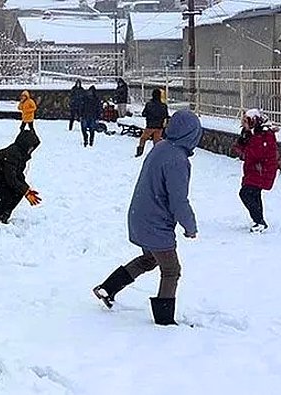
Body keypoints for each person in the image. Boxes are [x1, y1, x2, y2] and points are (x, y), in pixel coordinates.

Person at [92, 110, 201, 326]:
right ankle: (164, 321)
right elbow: (178, 200)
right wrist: (190, 226)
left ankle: (107, 288)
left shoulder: (161, 147)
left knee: (150, 258)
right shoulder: (177, 159)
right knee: (171, 270)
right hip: (155, 222)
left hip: (140, 215)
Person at [0, 129, 42, 225]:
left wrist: (27, 190)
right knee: (7, 195)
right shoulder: (13, 154)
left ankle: (5, 214)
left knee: (18, 191)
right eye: (31, 147)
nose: (32, 149)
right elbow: (11, 178)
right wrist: (25, 191)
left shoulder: (20, 155)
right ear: (25, 144)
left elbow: (18, 175)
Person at [232, 109, 279, 233]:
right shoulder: (253, 134)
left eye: (246, 123)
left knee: (246, 193)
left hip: (262, 170)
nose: (244, 125)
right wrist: (242, 141)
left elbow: (256, 153)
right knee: (254, 194)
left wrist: (245, 146)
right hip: (254, 169)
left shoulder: (264, 134)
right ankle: (259, 221)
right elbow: (241, 149)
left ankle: (259, 221)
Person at [137, 88, 169, 157]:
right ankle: (157, 154)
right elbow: (166, 115)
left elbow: (144, 114)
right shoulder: (164, 106)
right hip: (159, 127)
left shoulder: (149, 104)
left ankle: (140, 151)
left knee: (143, 139)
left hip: (150, 126)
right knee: (156, 141)